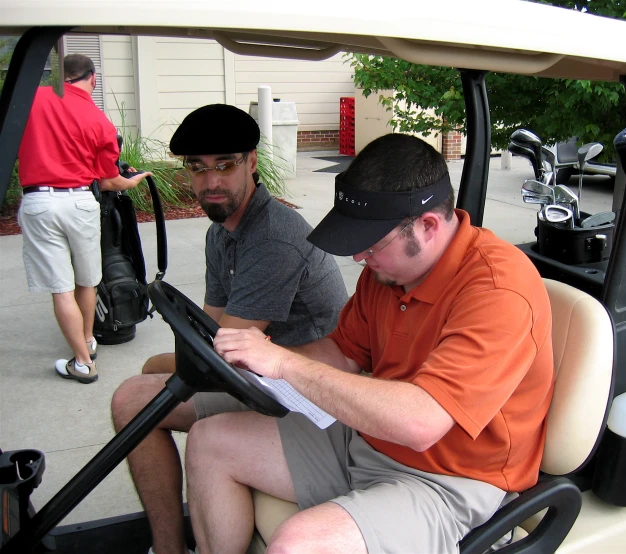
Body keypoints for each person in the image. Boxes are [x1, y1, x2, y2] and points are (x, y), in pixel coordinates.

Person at [184, 133, 556, 554]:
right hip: (366, 439)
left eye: (373, 244)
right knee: (209, 441)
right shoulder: (388, 272)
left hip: (450, 480)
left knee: (297, 544)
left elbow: (422, 423)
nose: (360, 258)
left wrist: (286, 365)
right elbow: (343, 352)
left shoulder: (498, 291)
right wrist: (264, 361)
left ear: (428, 226)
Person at [110, 104, 348, 554]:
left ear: (252, 163)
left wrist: (187, 360)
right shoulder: (221, 233)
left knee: (132, 398)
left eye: (225, 165)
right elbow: (211, 327)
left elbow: (226, 355)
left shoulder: (274, 238)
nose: (211, 182)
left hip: (306, 390)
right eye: (198, 169)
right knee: (151, 367)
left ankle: (166, 547)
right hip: (263, 371)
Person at [16, 53, 151, 385]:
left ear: (59, 77)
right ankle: (87, 345)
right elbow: (108, 180)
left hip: (40, 202)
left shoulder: (31, 99)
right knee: (87, 281)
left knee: (61, 288)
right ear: (92, 78)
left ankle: (82, 359)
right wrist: (132, 181)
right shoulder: (100, 120)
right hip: (81, 204)